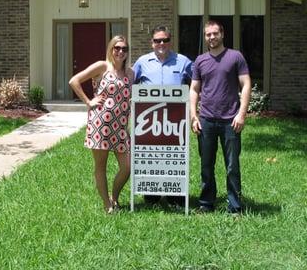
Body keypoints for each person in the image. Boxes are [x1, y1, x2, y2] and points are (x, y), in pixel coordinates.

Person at [189, 20, 251, 214]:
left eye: (215, 33)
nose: (211, 37)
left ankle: (235, 206)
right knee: (206, 165)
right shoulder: (200, 60)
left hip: (230, 121)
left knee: (232, 166)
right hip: (206, 120)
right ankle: (206, 203)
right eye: (208, 34)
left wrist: (242, 114)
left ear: (222, 34)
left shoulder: (235, 57)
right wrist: (194, 116)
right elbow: (194, 89)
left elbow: (246, 84)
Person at [69, 35, 134, 214]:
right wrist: (89, 101)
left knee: (127, 167)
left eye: (124, 49)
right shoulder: (102, 66)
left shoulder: (130, 73)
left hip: (120, 126)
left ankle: (115, 197)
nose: (120, 51)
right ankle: (107, 205)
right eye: (117, 48)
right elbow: (74, 81)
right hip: (101, 123)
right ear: (111, 49)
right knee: (101, 166)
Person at [133, 25, 192, 205]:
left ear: (170, 41)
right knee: (152, 154)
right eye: (157, 40)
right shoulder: (142, 62)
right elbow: (128, 83)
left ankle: (175, 193)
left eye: (165, 40)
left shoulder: (183, 61)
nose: (161, 43)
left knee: (174, 155)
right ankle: (152, 192)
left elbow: (198, 83)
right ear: (152, 43)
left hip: (175, 121)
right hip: (149, 121)